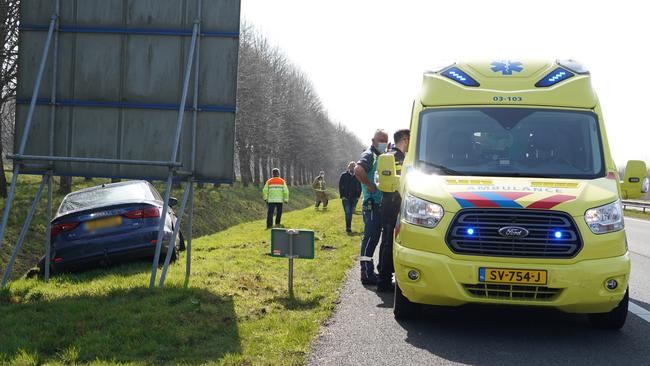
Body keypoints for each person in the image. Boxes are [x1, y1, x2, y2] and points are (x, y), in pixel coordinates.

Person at [377, 129, 410, 292]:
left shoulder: (389, 156)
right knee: (390, 240)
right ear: (404, 139)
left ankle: (384, 275)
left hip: (390, 203)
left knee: (387, 239)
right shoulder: (396, 158)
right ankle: (384, 280)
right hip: (393, 203)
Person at [355, 129, 389, 285]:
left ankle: (369, 271)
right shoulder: (369, 155)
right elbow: (358, 169)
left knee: (374, 239)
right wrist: (370, 186)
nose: (384, 144)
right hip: (372, 205)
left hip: (378, 205)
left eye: (385, 141)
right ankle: (366, 273)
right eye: (381, 140)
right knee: (370, 239)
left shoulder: (380, 156)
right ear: (373, 140)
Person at [338, 162, 362, 234]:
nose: (352, 168)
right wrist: (342, 196)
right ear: (349, 167)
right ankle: (348, 228)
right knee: (348, 212)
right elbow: (340, 186)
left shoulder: (357, 176)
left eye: (354, 167)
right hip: (346, 198)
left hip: (354, 198)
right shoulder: (344, 175)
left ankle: (349, 226)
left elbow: (360, 186)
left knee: (350, 213)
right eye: (351, 167)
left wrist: (358, 196)